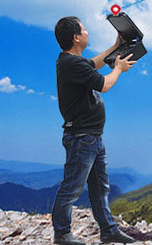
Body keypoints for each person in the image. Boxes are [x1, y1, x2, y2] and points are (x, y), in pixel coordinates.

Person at [51, 16, 137, 245]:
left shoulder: (73, 62)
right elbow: (105, 84)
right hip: (82, 138)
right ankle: (61, 234)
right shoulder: (71, 64)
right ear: (76, 37)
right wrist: (118, 68)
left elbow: (95, 63)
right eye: (84, 29)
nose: (88, 32)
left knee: (100, 188)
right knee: (72, 187)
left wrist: (116, 46)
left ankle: (108, 230)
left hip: (92, 137)